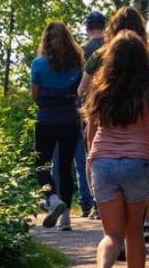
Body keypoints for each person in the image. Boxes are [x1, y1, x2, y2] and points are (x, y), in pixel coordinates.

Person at [83, 31, 149, 268]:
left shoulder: (101, 89)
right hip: (136, 163)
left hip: (103, 163)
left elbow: (91, 131)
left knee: (112, 235)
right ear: (143, 59)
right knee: (134, 231)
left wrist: (90, 159)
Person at [79, 7, 149, 242]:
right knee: (142, 165)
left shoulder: (100, 55)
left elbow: (81, 89)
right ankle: (143, 221)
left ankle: (104, 213)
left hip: (106, 120)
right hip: (142, 120)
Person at [51, 11, 106, 219]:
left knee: (88, 157)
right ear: (104, 26)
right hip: (113, 107)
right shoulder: (114, 48)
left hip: (87, 110)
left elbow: (77, 85)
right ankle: (101, 202)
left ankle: (89, 203)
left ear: (87, 27)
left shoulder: (81, 52)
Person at [31, 22, 85, 231]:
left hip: (46, 121)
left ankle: (52, 199)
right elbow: (80, 92)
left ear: (46, 40)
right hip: (70, 121)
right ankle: (66, 220)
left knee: (41, 165)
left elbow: (35, 96)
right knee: (65, 168)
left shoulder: (38, 64)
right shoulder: (77, 64)